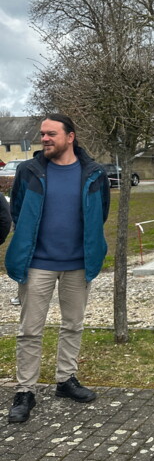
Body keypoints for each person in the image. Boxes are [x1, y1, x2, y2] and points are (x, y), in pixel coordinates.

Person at [5, 114, 110, 423]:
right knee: (29, 330)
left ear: (70, 137)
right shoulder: (29, 171)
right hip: (37, 264)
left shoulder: (94, 173)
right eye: (42, 134)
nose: (45, 139)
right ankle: (25, 391)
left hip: (78, 264)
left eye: (51, 134)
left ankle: (65, 380)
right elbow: (18, 211)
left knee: (73, 325)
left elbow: (99, 213)